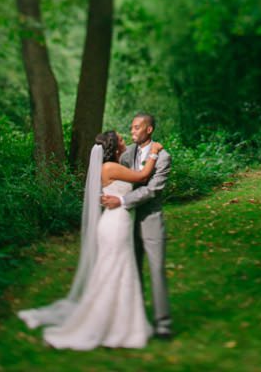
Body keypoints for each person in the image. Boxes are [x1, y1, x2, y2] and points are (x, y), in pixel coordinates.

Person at [18, 130, 161, 349]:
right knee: (115, 272)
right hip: (116, 224)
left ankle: (119, 323)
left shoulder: (114, 166)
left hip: (115, 222)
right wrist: (154, 152)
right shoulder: (110, 168)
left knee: (114, 272)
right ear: (113, 146)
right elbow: (142, 177)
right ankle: (110, 325)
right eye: (121, 139)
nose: (124, 141)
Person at [101, 112, 173, 339]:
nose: (132, 132)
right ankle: (136, 318)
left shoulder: (162, 157)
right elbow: (115, 180)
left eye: (136, 128)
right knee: (131, 272)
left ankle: (163, 323)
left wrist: (121, 200)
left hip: (150, 220)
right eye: (131, 128)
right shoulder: (125, 155)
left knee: (156, 270)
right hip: (124, 223)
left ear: (149, 130)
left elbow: (152, 189)